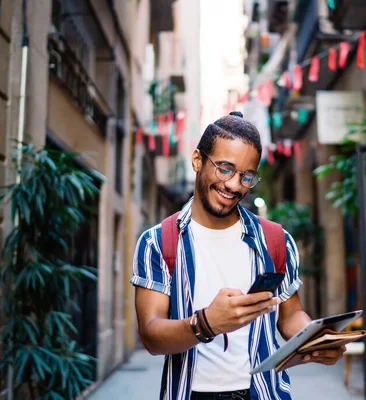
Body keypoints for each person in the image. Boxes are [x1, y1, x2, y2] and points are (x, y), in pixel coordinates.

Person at [131, 111, 344, 400]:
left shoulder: (275, 240)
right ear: (197, 160)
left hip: (263, 393)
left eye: (246, 176)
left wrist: (313, 339)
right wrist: (206, 323)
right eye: (225, 169)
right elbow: (151, 335)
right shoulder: (158, 242)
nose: (233, 185)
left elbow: (290, 314)